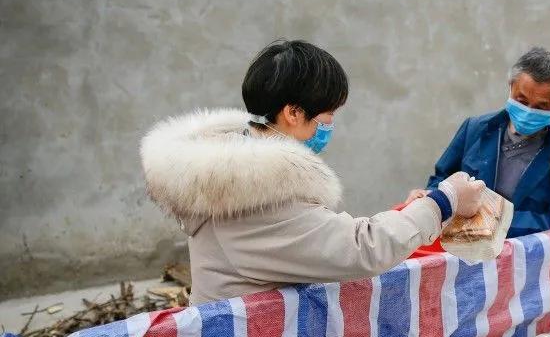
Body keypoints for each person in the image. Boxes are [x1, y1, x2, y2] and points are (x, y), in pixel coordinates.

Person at [141, 40, 483, 305]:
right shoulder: (260, 192)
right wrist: (445, 200)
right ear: (292, 112)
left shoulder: (225, 168)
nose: (330, 126)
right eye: (327, 116)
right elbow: (362, 249)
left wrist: (410, 212)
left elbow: (316, 230)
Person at [412, 47, 550, 238]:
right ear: (510, 86)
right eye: (521, 100)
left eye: (541, 107)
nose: (528, 111)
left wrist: (495, 218)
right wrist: (429, 198)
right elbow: (442, 178)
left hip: (524, 260)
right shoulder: (474, 130)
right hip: (462, 252)